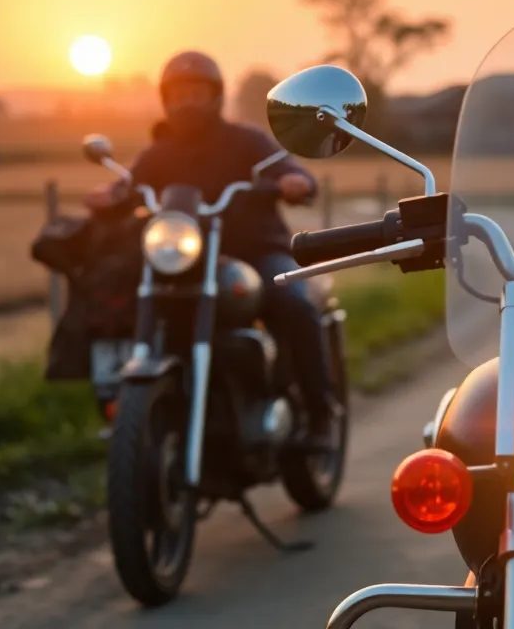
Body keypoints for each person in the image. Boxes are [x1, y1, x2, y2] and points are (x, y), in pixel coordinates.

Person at [84, 50, 343, 450]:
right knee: (123, 297)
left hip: (257, 253)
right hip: (184, 261)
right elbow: (128, 186)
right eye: (178, 95)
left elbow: (289, 170)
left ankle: (320, 415)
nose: (187, 102)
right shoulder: (159, 152)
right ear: (165, 100)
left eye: (197, 93)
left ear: (216, 97)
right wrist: (110, 194)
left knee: (294, 301)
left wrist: (295, 181)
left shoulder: (247, 140)